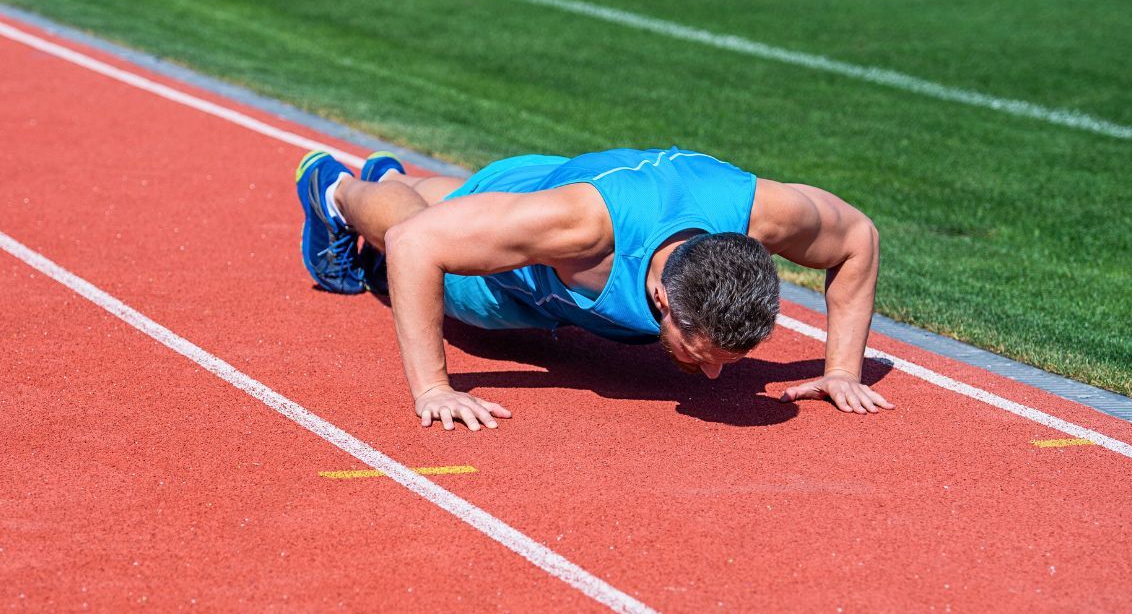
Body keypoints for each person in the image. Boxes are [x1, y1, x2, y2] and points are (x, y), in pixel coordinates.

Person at [296, 147, 894, 430]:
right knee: (410, 228)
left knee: (463, 208)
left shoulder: (766, 212)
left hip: (551, 190)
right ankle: (338, 192)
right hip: (511, 281)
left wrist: (842, 369)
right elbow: (415, 245)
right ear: (663, 300)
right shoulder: (579, 230)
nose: (715, 378)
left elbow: (858, 238)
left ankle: (390, 175)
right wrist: (432, 388)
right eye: (706, 356)